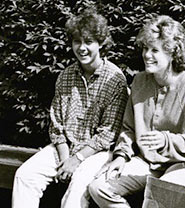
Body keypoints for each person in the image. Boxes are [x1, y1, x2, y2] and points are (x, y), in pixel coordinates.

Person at [88, 15, 185, 207]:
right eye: (145, 48)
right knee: (98, 186)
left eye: (155, 50)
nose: (147, 55)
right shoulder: (140, 81)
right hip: (150, 162)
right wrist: (121, 156)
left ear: (172, 53)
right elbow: (128, 128)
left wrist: (166, 140)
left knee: (160, 195)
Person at [12, 8, 128, 208]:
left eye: (89, 42)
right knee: (25, 176)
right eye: (77, 41)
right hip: (65, 148)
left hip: (97, 153)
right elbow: (57, 125)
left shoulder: (115, 79)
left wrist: (77, 159)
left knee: (78, 187)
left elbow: (108, 134)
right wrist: (66, 159)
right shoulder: (65, 76)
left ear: (101, 44)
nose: (82, 48)